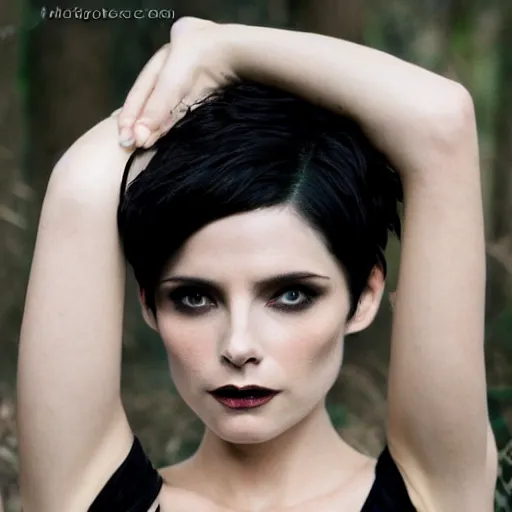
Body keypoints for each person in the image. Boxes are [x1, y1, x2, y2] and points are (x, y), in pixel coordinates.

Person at [17, 17, 498, 512]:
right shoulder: (89, 498)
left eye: (290, 295)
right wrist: (183, 88)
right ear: (149, 304)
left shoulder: (432, 495)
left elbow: (441, 120)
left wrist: (223, 49)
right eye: (194, 298)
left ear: (364, 297)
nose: (238, 346)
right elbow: (80, 189)